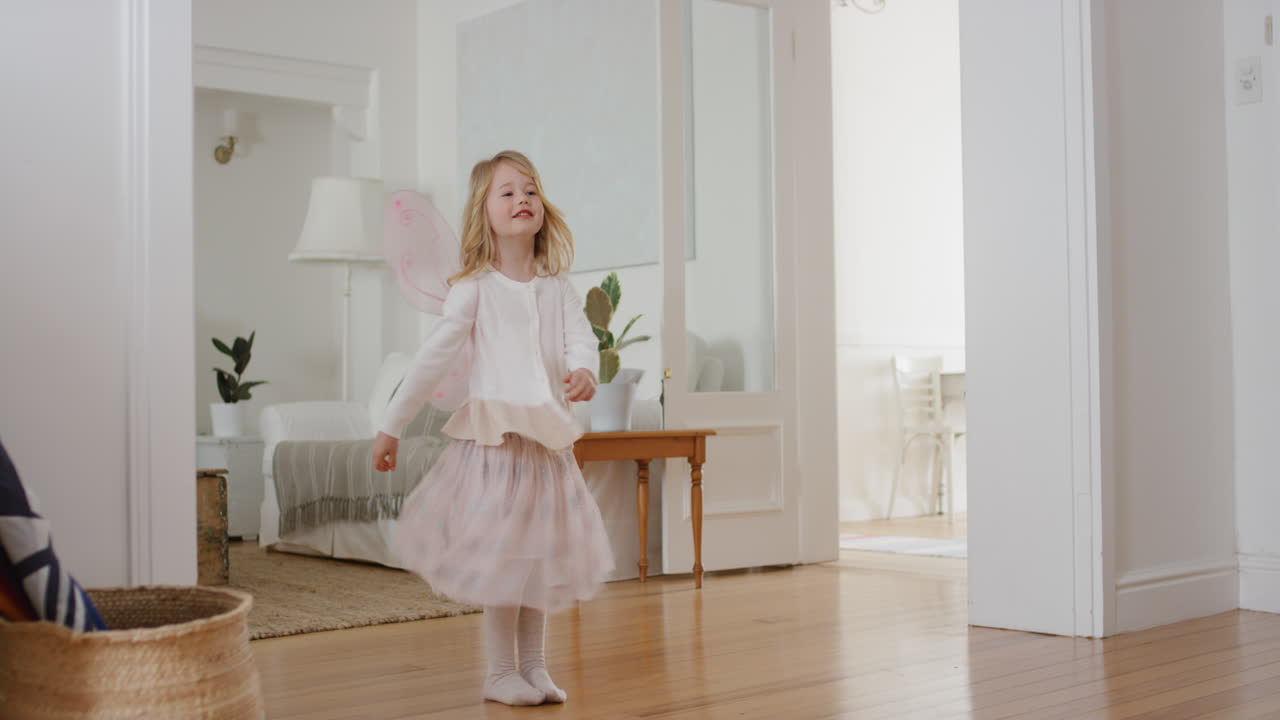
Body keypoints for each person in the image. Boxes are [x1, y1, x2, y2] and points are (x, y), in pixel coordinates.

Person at [372, 150, 613, 706]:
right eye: (506, 192)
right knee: (509, 561)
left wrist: (583, 370)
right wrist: (392, 425)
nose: (521, 200)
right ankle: (499, 671)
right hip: (497, 447)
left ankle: (534, 666)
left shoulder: (557, 285)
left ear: (543, 208)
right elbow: (432, 358)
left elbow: (581, 338)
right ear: (484, 213)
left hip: (546, 448)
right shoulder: (474, 287)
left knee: (538, 562)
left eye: (530, 190)